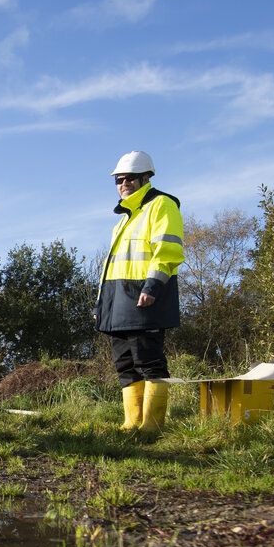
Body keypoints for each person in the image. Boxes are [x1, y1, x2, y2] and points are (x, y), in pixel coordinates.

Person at [95, 151, 184, 434]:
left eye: (129, 178)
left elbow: (168, 251)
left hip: (145, 297)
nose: (123, 184)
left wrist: (153, 286)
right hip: (117, 301)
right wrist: (102, 304)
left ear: (146, 178)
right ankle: (131, 423)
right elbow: (111, 267)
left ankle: (152, 426)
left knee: (149, 361)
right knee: (125, 364)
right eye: (119, 180)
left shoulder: (161, 205)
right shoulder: (123, 219)